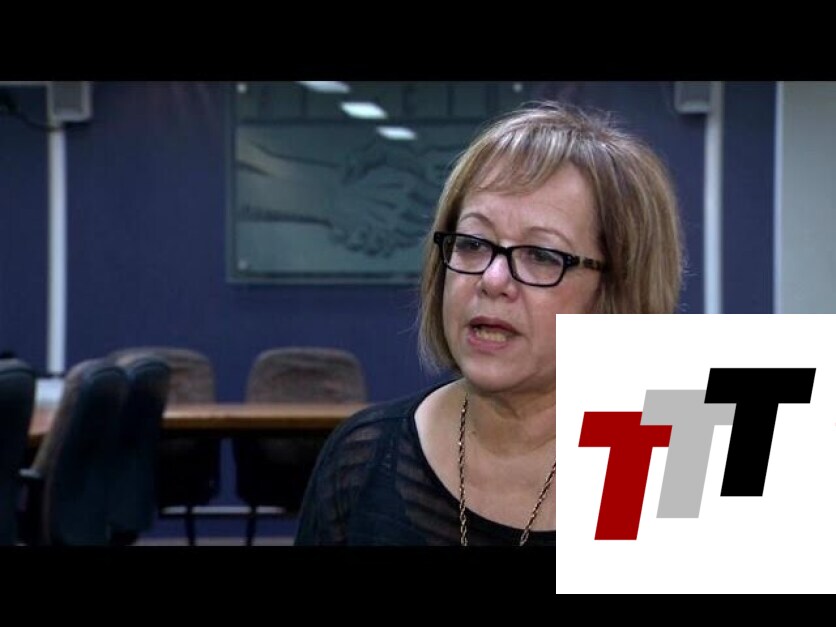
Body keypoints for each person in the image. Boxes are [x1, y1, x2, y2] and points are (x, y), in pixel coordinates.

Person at [294, 100, 684, 546]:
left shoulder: (680, 476)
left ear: (616, 290)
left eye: (541, 255)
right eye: (474, 243)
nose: (492, 279)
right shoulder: (359, 463)